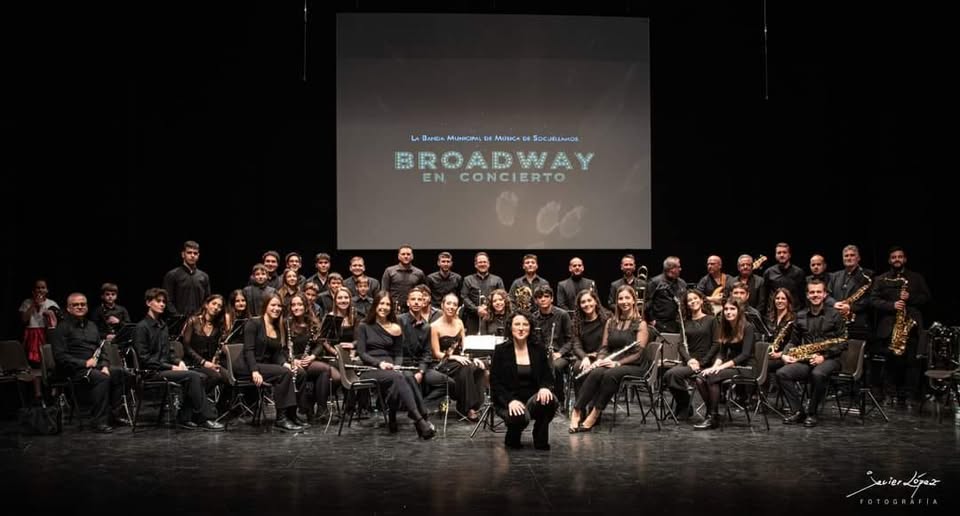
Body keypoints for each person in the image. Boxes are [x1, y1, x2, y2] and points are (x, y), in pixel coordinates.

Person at [134, 288, 224, 431]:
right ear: (148, 303)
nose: (162, 304)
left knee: (201, 376)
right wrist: (170, 367)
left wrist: (178, 361)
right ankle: (205, 418)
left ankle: (185, 416)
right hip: (152, 371)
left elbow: (169, 352)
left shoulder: (162, 326)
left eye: (164, 301)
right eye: (158, 301)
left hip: (164, 368)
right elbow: (145, 359)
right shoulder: (141, 327)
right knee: (194, 376)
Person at [356, 291, 436, 439]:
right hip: (370, 368)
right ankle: (420, 420)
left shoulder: (395, 327)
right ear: (375, 305)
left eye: (388, 304)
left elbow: (398, 353)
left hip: (390, 368)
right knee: (399, 378)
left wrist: (397, 365)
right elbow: (362, 353)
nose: (384, 307)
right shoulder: (364, 325)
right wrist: (379, 364)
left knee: (408, 376)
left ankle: (414, 417)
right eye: (381, 303)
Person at [570, 285, 650, 432]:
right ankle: (577, 410)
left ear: (633, 300)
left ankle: (595, 413)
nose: (624, 301)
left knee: (610, 374)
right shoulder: (611, 322)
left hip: (634, 364)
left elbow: (638, 353)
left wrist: (617, 363)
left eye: (627, 298)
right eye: (620, 298)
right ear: (617, 301)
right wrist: (601, 359)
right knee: (596, 371)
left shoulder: (641, 324)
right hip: (613, 362)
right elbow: (605, 347)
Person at [51, 293, 126, 433]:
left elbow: (101, 349)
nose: (80, 307)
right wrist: (84, 363)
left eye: (83, 304)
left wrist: (104, 365)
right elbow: (60, 356)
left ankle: (114, 415)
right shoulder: (61, 328)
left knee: (120, 373)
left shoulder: (92, 325)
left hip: (94, 366)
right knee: (101, 378)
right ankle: (98, 421)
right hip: (73, 369)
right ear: (68, 308)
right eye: (75, 305)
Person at [777, 279, 847, 427]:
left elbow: (843, 342)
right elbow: (793, 341)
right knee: (782, 373)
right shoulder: (800, 315)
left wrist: (824, 356)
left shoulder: (835, 315)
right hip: (807, 358)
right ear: (807, 295)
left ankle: (812, 413)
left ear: (824, 295)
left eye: (818, 292)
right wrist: (785, 353)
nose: (815, 295)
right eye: (812, 292)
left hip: (830, 358)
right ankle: (797, 411)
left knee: (818, 374)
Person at [869, 246, 931, 406]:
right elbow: (873, 300)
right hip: (889, 328)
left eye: (900, 257)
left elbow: (926, 298)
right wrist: (892, 305)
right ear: (890, 260)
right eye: (894, 257)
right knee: (890, 363)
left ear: (905, 259)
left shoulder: (916, 278)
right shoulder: (882, 279)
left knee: (912, 364)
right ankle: (890, 394)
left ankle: (909, 395)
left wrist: (911, 297)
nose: (897, 259)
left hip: (911, 327)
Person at [490, 311, 557, 450]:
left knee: (550, 400)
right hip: (508, 401)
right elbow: (495, 384)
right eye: (517, 324)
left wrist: (544, 387)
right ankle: (512, 435)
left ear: (530, 328)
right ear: (510, 327)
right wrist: (510, 401)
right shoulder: (501, 350)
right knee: (519, 416)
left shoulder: (538, 349)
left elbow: (547, 376)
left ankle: (540, 437)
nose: (521, 328)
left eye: (525, 324)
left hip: (532, 399)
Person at [239, 294, 304, 432]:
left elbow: (277, 353)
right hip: (249, 366)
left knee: (299, 372)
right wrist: (254, 371)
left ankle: (292, 415)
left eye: (279, 306)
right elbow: (248, 351)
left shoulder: (277, 327)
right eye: (273, 305)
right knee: (284, 374)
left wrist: (284, 363)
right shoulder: (254, 323)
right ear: (266, 306)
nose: (276, 308)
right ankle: (281, 419)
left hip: (266, 366)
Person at [692, 298, 757, 430]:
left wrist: (720, 368)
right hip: (731, 366)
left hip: (746, 367)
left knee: (712, 377)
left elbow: (744, 355)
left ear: (739, 311)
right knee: (700, 378)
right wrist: (714, 367)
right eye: (726, 309)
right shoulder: (725, 327)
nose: (728, 312)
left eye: (732, 309)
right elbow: (721, 353)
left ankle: (712, 416)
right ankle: (712, 414)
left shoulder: (748, 327)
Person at [661, 289, 716, 421]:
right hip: (690, 362)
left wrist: (701, 363)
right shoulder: (685, 323)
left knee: (673, 374)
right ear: (687, 305)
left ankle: (686, 407)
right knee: (669, 374)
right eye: (689, 300)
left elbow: (716, 344)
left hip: (706, 362)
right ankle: (685, 405)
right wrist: (690, 359)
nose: (693, 302)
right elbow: (681, 345)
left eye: (695, 298)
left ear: (702, 300)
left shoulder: (711, 320)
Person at [430, 293, 486, 421]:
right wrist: (454, 357)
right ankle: (469, 409)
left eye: (454, 304)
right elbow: (436, 354)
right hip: (442, 363)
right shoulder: (434, 326)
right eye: (448, 303)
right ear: (442, 305)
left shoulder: (459, 322)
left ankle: (471, 406)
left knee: (477, 367)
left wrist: (473, 358)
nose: (451, 307)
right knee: (466, 368)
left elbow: (465, 347)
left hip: (459, 361)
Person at [179, 294, 228, 392]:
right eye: (214, 304)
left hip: (208, 364)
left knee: (228, 376)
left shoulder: (218, 326)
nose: (216, 308)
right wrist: (203, 362)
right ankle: (195, 399)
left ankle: (219, 406)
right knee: (216, 377)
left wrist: (214, 361)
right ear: (206, 305)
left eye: (219, 306)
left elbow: (216, 349)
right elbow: (186, 346)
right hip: (193, 363)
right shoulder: (193, 321)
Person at [826, 244, 873, 341]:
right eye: (846, 256)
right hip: (836, 321)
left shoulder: (868, 275)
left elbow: (871, 298)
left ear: (858, 258)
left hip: (858, 323)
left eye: (852, 255)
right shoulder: (834, 276)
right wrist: (834, 303)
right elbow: (826, 295)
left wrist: (850, 307)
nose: (849, 258)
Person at [161, 240, 211, 319]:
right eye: (189, 252)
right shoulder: (172, 275)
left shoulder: (204, 276)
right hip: (178, 321)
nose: (192, 255)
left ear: (198, 255)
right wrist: (178, 317)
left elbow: (207, 300)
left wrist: (202, 315)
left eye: (195, 253)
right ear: (183, 254)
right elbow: (167, 300)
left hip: (199, 320)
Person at [460, 252, 505, 335]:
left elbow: (503, 297)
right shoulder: (468, 279)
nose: (482, 264)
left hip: (492, 319)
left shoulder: (497, 280)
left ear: (488, 264)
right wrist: (477, 309)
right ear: (475, 265)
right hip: (473, 318)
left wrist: (489, 309)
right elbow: (464, 297)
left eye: (484, 262)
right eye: (480, 262)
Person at [19, 278, 60, 365]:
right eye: (38, 288)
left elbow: (57, 322)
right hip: (31, 333)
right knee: (32, 360)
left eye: (43, 287)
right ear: (33, 290)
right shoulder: (27, 302)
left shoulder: (51, 303)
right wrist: (34, 304)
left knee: (46, 358)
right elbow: (24, 319)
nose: (40, 290)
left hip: (46, 333)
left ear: (47, 290)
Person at [645, 256, 686, 333]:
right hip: (660, 324)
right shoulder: (654, 282)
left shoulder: (682, 283)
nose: (680, 269)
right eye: (678, 267)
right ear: (671, 269)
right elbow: (647, 302)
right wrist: (651, 319)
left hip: (679, 323)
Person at [762, 242, 805, 313]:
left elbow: (802, 296)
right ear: (775, 255)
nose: (782, 255)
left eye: (784, 252)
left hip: (794, 313)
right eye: (779, 253)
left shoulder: (799, 273)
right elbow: (765, 297)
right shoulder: (769, 272)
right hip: (774, 313)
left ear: (789, 255)